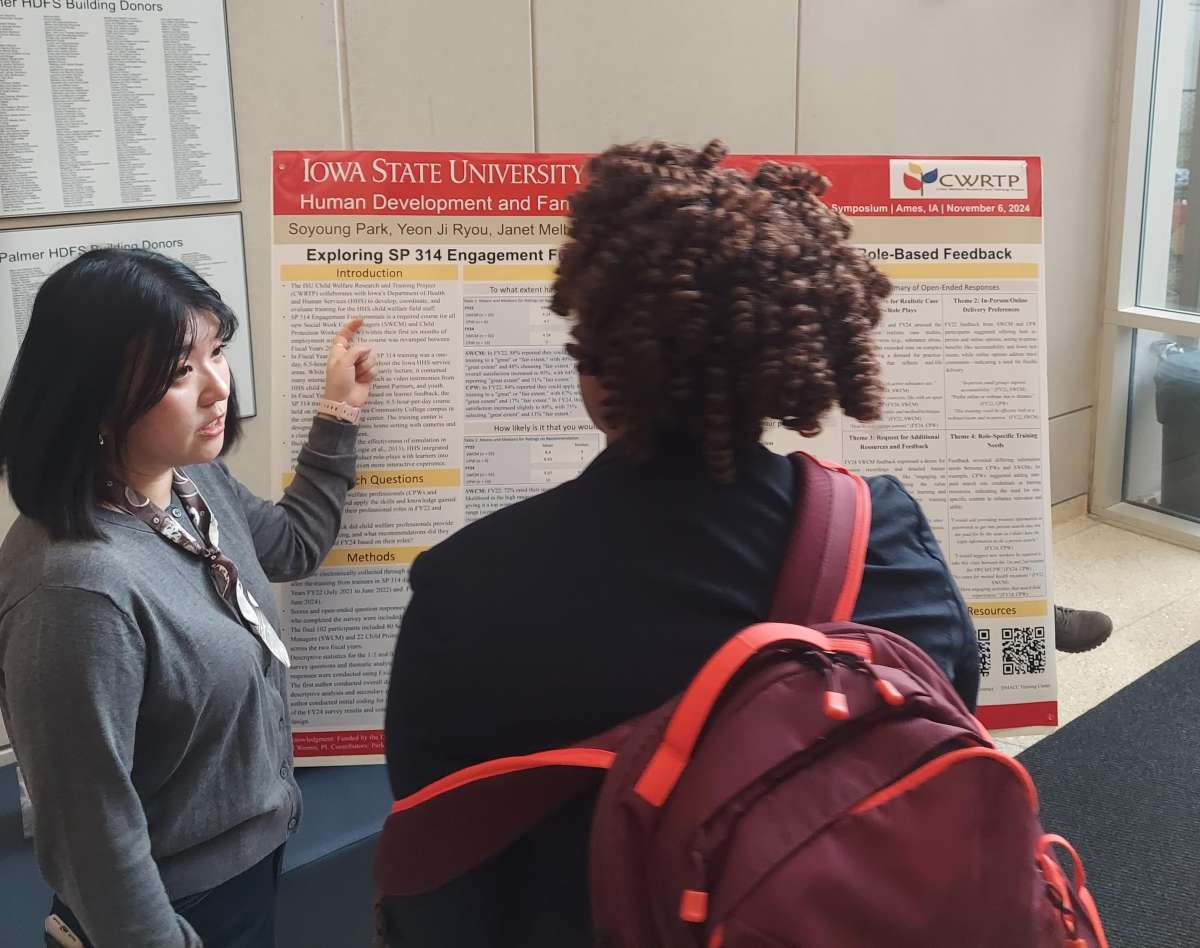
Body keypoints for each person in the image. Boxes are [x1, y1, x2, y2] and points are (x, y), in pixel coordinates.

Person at [380, 140, 979, 946]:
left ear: (597, 364)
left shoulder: (467, 585)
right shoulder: (886, 530)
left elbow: (436, 852)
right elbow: (951, 711)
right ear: (791, 354)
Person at [0, 249, 376, 948]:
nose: (216, 388)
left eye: (217, 352)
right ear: (94, 393)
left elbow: (293, 544)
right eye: (179, 370)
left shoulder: (190, 489)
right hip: (174, 908)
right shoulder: (74, 591)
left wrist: (337, 416)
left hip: (251, 864)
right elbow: (94, 836)